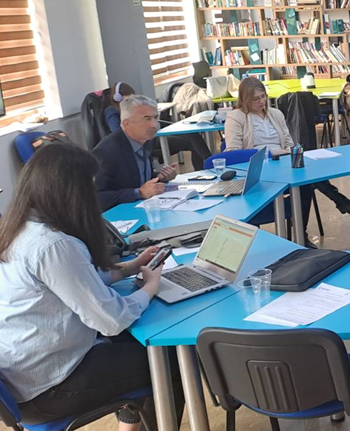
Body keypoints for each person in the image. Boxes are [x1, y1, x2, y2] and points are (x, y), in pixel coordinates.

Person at [0, 142, 183, 431]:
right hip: (49, 387)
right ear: (72, 192)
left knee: (136, 348)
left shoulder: (19, 228)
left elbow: (72, 281)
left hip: (20, 375)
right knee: (172, 361)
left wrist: (130, 267)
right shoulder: (54, 244)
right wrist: (150, 287)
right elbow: (112, 320)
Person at [224, 78, 350, 247]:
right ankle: (336, 200)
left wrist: (290, 151)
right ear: (245, 99)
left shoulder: (275, 114)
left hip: (282, 162)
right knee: (306, 182)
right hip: (258, 170)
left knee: (306, 179)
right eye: (255, 99)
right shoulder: (236, 117)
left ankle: (301, 233)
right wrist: (270, 153)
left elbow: (288, 142)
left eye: (263, 96)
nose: (261, 101)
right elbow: (233, 153)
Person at [93, 94, 179, 210]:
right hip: (120, 216)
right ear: (126, 123)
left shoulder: (147, 140)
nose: (154, 125)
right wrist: (138, 193)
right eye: (146, 119)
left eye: (155, 117)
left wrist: (160, 177)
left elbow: (136, 179)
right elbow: (95, 197)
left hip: (143, 208)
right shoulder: (106, 152)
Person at [101, 82, 211, 171]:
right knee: (190, 143)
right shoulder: (112, 112)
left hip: (152, 132)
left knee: (192, 133)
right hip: (146, 138)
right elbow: (118, 131)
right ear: (117, 99)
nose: (130, 103)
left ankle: (210, 164)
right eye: (127, 100)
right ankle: (205, 169)